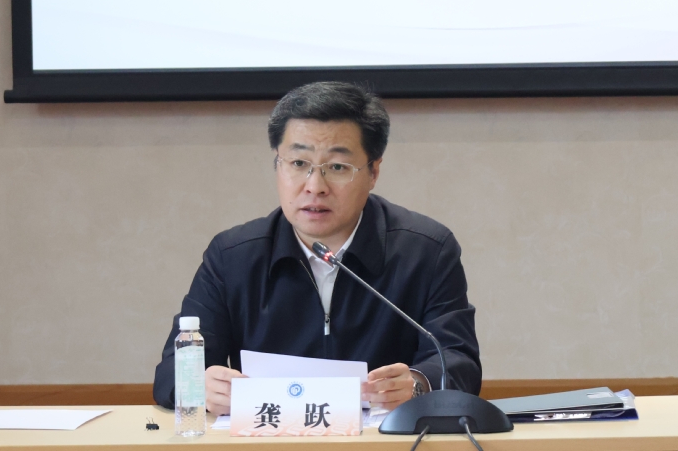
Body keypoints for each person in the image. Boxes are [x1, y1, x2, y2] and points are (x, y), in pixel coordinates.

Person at [153, 81, 481, 415]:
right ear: (277, 165)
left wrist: (418, 384)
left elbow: (458, 360)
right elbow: (170, 372)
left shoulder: (426, 251)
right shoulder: (233, 256)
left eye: (337, 167)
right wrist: (200, 385)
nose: (315, 186)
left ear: (373, 172)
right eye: (298, 163)